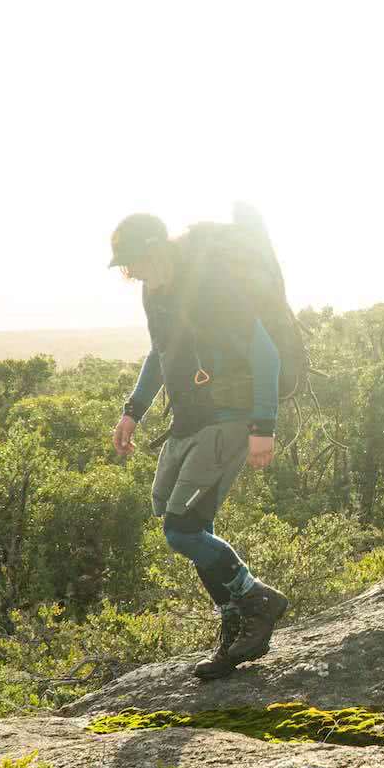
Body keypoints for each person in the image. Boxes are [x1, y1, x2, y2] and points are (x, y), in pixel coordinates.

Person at [108, 212, 290, 678]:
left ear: (156, 248)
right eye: (126, 267)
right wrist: (133, 410)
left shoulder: (209, 285)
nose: (132, 274)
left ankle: (257, 599)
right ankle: (234, 631)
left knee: (181, 529)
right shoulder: (156, 293)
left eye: (134, 263)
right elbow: (160, 354)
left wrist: (263, 427)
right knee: (189, 525)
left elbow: (265, 354)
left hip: (228, 420)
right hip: (188, 422)